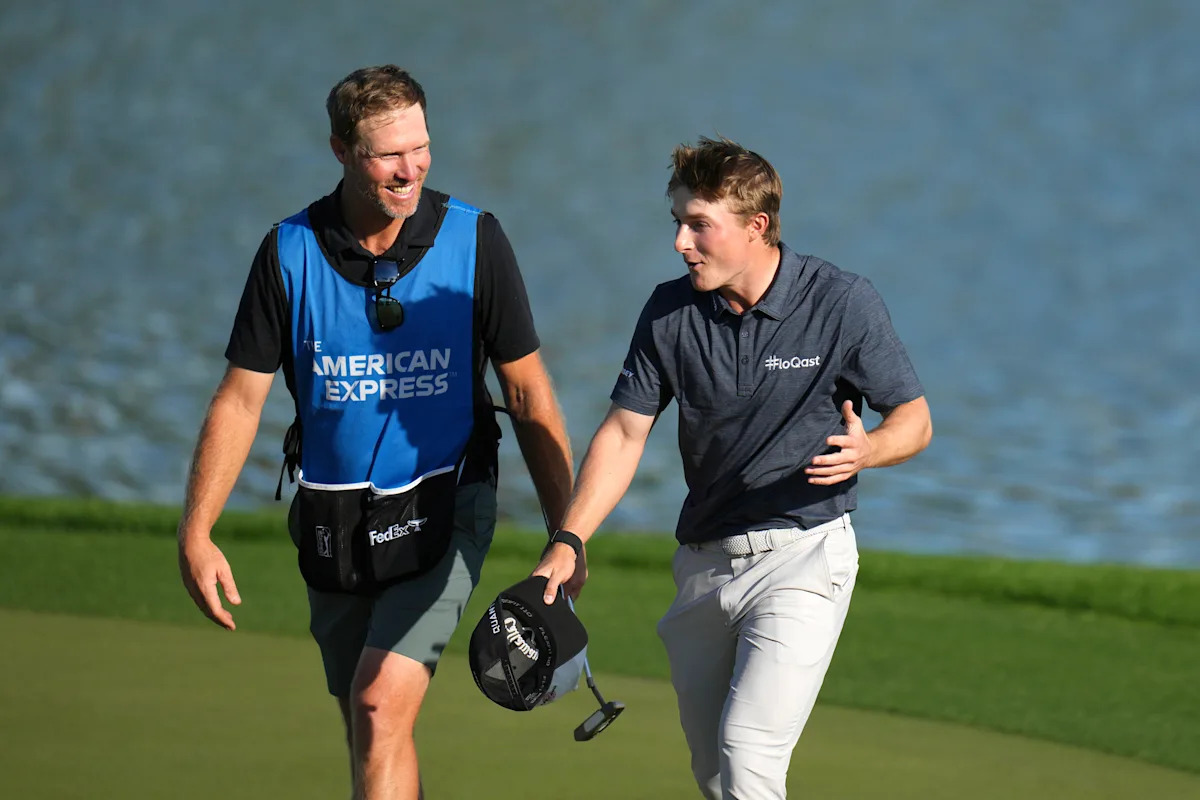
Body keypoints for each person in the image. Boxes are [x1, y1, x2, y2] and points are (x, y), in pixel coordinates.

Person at [177, 65, 576, 800]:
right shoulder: (288, 250)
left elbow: (527, 395)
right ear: (340, 150)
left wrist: (567, 533)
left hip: (446, 502)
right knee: (370, 725)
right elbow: (239, 400)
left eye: (421, 147)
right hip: (332, 518)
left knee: (376, 702)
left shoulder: (475, 240)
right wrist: (196, 530)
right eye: (387, 154)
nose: (410, 168)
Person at [534, 136, 931, 799]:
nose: (680, 243)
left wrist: (871, 449)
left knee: (748, 750)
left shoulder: (841, 301)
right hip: (704, 564)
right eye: (678, 223)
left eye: (699, 225)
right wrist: (569, 539)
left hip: (804, 555)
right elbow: (625, 433)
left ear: (757, 226)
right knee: (716, 773)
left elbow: (914, 420)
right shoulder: (669, 312)